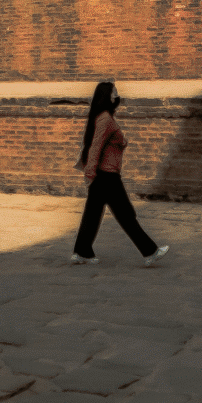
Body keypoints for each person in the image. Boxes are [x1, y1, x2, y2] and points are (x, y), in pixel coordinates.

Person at [70, 80, 165, 266]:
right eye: (114, 92)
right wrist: (89, 174)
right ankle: (150, 252)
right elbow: (96, 146)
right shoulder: (105, 118)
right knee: (126, 215)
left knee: (93, 215)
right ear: (107, 95)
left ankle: (82, 252)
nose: (116, 94)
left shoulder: (104, 116)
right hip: (107, 176)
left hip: (103, 176)